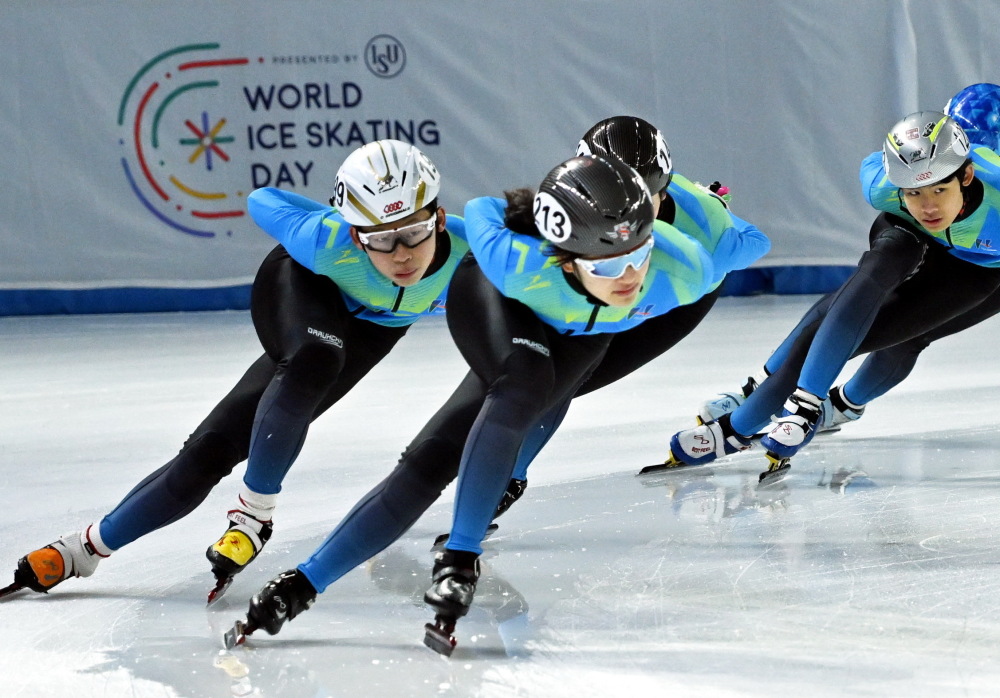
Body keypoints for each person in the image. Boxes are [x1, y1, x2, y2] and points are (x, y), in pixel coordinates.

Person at [220, 118, 769, 651]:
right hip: (507, 306)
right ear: (569, 251)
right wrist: (527, 209)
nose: (628, 278)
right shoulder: (516, 262)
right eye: (604, 265)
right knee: (487, 414)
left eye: (639, 256)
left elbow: (750, 241)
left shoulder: (690, 264)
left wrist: (707, 207)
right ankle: (451, 557)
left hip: (586, 331)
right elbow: (483, 211)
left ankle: (303, 583)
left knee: (540, 396)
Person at [6, 139, 469, 601]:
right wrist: (331, 217)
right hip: (303, 284)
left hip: (375, 328)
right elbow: (261, 200)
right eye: (382, 239)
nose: (403, 254)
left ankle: (84, 548)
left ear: (441, 219)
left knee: (214, 449)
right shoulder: (323, 239)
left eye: (415, 231)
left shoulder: (474, 255)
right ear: (354, 234)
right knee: (315, 357)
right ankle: (253, 515)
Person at [667, 110, 1000, 475]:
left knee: (904, 335)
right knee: (873, 273)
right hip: (910, 234)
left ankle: (816, 409)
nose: (929, 206)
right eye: (914, 192)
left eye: (939, 188)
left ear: (967, 174)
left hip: (979, 269)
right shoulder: (881, 183)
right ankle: (779, 405)